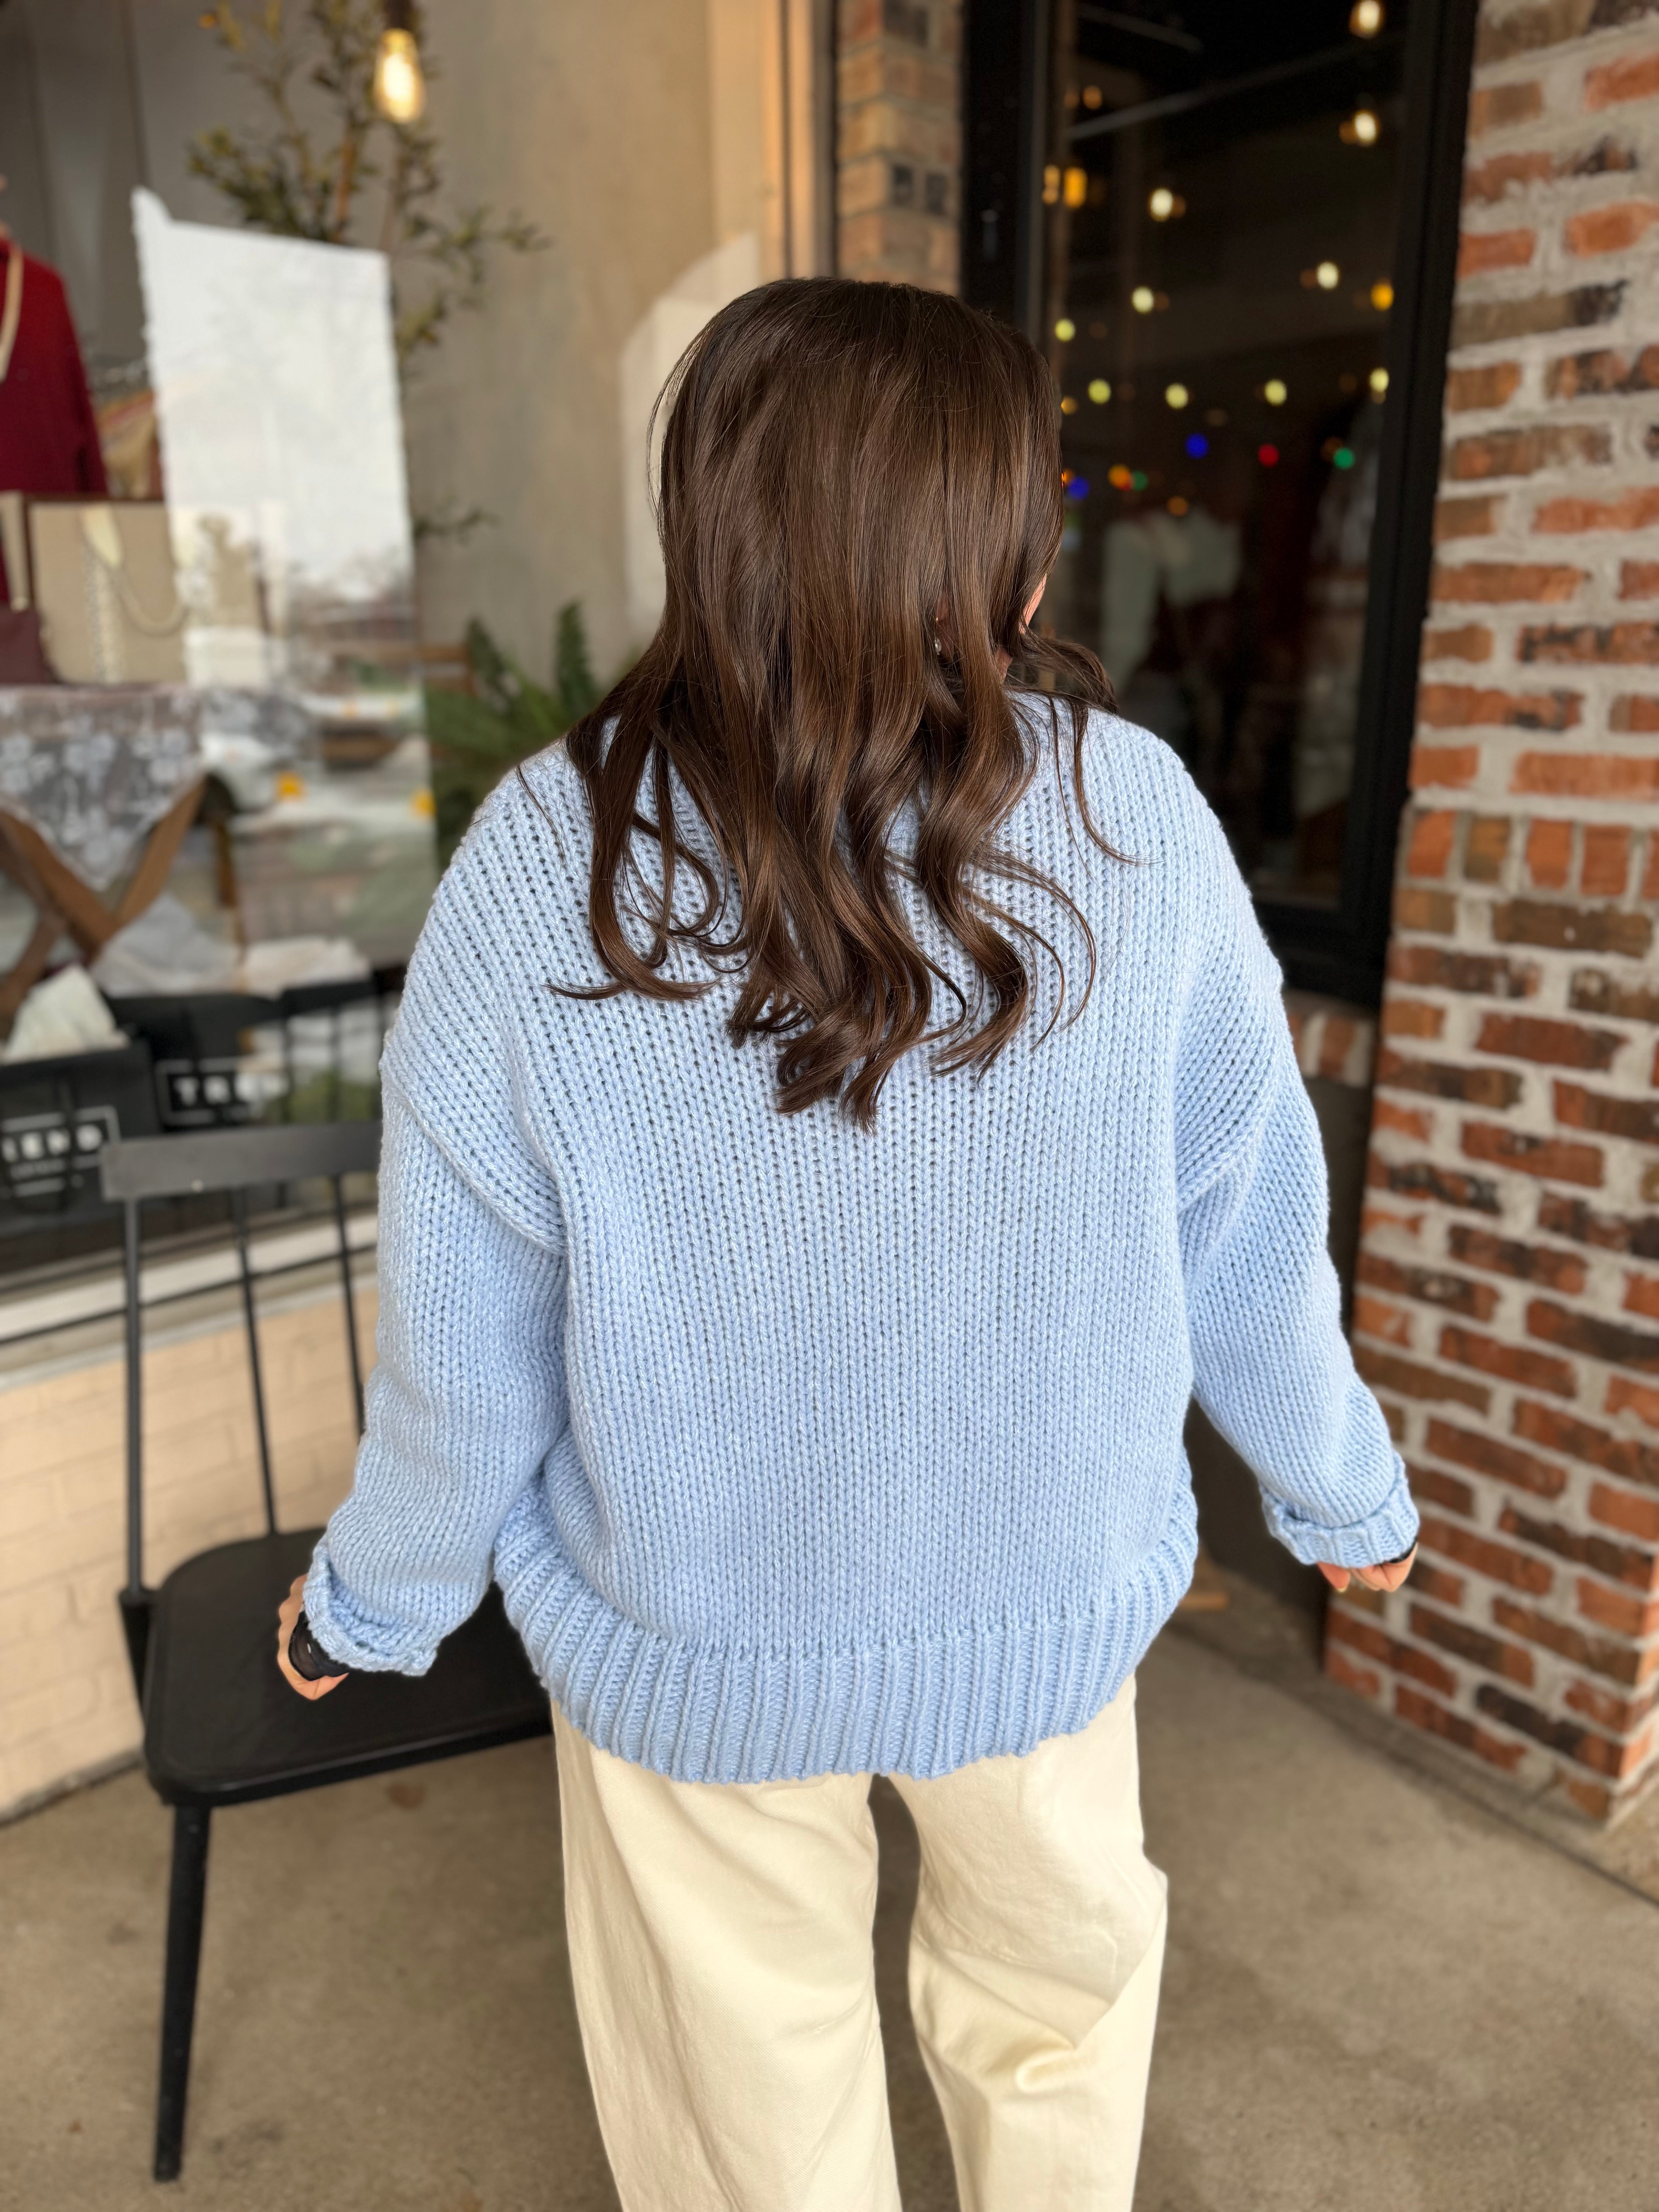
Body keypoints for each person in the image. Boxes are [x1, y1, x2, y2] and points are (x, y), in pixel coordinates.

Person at [275, 277, 1417, 2212]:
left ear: (706, 514)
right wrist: (1340, 1483)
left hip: (693, 1623)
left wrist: (372, 1600)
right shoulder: (1132, 820)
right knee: (1057, 2022)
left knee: (745, 2103)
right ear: (999, 531)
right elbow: (1245, 1217)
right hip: (1043, 1593)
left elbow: (463, 1350)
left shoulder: (549, 856)